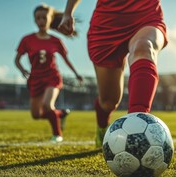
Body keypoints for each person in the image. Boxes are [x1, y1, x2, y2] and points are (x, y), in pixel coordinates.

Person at [58, 0, 167, 147]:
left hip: (145, 14)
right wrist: (68, 13)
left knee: (144, 47)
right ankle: (102, 127)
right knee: (109, 102)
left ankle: (136, 126)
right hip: (106, 25)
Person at [15, 4, 83, 142]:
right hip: (35, 79)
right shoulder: (27, 40)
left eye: (44, 18)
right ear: (35, 20)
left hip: (52, 77)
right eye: (38, 18)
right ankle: (60, 114)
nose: (41, 21)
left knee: (47, 105)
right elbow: (16, 60)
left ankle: (57, 135)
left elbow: (66, 60)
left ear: (50, 19)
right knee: (36, 114)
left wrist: (76, 73)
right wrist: (23, 70)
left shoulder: (56, 41)